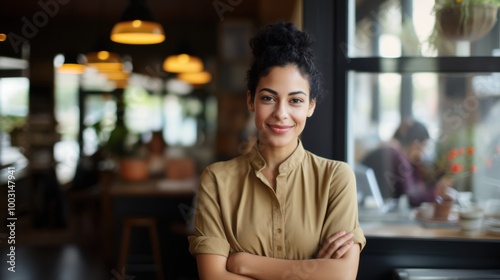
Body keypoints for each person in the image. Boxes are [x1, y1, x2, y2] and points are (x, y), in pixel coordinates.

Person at [188, 22, 366, 280]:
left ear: (311, 106)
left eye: (295, 100)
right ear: (251, 100)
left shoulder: (335, 178)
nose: (281, 114)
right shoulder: (216, 181)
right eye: (268, 98)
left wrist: (244, 263)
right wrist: (315, 271)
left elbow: (342, 276)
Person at [361, 119, 453, 208]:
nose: (424, 152)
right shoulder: (397, 156)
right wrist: (437, 191)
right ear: (415, 145)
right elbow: (413, 198)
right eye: (425, 146)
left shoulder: (389, 152)